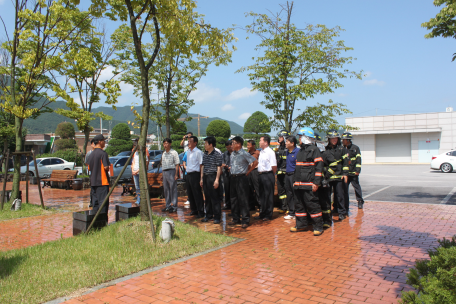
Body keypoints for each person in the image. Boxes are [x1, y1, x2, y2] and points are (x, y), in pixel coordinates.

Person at [291, 127, 324, 236]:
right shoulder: (301, 151)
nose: (299, 139)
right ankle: (301, 225)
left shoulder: (314, 150)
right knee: (299, 206)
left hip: (309, 184)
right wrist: (295, 181)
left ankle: (318, 227)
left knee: (313, 205)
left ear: (306, 137)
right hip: (299, 185)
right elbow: (298, 168)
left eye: (300, 137)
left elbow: (319, 168)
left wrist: (316, 182)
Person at [320, 130, 349, 225]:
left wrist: (345, 174)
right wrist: (324, 176)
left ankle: (341, 213)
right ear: (328, 139)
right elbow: (323, 164)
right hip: (328, 177)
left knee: (340, 195)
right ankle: (328, 213)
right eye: (332, 138)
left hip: (339, 176)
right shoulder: (325, 150)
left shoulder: (342, 149)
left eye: (336, 138)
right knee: (327, 197)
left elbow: (345, 163)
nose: (334, 140)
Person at [229, 136, 258, 228]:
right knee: (233, 199)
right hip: (233, 178)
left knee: (243, 199)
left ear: (238, 144)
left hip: (241, 178)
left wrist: (248, 171)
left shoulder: (244, 153)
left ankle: (245, 220)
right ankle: (235, 218)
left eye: (233, 143)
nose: (232, 145)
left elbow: (255, 162)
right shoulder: (233, 154)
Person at [200, 136, 223, 224]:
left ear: (211, 144)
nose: (204, 145)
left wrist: (217, 180)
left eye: (206, 143)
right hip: (206, 177)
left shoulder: (217, 154)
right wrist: (201, 178)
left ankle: (217, 216)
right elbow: (203, 166)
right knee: (207, 197)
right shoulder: (205, 154)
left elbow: (219, 168)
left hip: (213, 176)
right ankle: (208, 215)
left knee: (215, 198)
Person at [86, 134, 110, 213]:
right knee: (103, 203)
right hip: (102, 182)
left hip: (93, 182)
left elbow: (89, 168)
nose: (105, 142)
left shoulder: (90, 154)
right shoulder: (103, 153)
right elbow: (106, 167)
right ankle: (103, 222)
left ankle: (95, 222)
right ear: (99, 142)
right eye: (104, 141)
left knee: (95, 204)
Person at [256, 135, 277, 221]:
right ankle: (262, 213)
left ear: (265, 142)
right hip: (261, 175)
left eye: (260, 140)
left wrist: (271, 175)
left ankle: (268, 214)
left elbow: (274, 166)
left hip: (268, 175)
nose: (259, 142)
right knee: (262, 195)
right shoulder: (261, 152)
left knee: (268, 195)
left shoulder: (270, 152)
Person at [342, 132, 365, 211]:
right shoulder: (342, 148)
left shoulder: (355, 148)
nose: (342, 141)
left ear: (348, 140)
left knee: (356, 187)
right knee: (344, 189)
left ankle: (360, 201)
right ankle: (345, 203)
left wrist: (357, 170)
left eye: (344, 140)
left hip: (353, 173)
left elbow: (358, 160)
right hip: (345, 173)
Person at [185, 135, 205, 218]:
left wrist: (201, 178)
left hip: (195, 174)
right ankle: (194, 210)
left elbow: (201, 165)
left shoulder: (198, 152)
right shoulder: (188, 152)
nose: (188, 143)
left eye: (190, 141)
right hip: (188, 175)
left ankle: (201, 211)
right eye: (188, 141)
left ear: (195, 143)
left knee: (197, 193)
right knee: (190, 194)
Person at [161, 138, 180, 213]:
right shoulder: (164, 153)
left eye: (167, 143)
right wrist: (162, 174)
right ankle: (168, 205)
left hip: (171, 171)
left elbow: (177, 164)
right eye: (164, 143)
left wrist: (176, 174)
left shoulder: (174, 152)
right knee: (166, 189)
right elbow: (163, 164)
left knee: (173, 189)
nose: (165, 145)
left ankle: (174, 206)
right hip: (165, 172)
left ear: (170, 144)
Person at [283, 136, 299, 220]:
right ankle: (291, 212)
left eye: (287, 142)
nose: (285, 143)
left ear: (292, 143)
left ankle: (298, 212)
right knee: (289, 194)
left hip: (294, 175)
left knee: (295, 194)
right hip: (287, 175)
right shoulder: (287, 152)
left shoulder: (297, 152)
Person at [131, 139, 150, 205]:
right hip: (135, 172)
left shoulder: (143, 153)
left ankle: (142, 199)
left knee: (141, 186)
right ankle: (138, 198)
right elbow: (133, 162)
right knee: (137, 186)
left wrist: (137, 171)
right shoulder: (135, 153)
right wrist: (133, 170)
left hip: (140, 172)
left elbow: (145, 163)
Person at [246, 140, 260, 211]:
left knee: (257, 189)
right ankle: (251, 206)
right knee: (249, 188)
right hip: (249, 172)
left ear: (253, 145)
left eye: (249, 145)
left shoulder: (258, 153)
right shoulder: (246, 153)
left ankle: (260, 206)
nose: (248, 146)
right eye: (247, 145)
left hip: (255, 171)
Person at [221, 140, 232, 210]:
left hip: (233, 173)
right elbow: (222, 162)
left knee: (233, 190)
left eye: (229, 147)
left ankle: (234, 205)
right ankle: (228, 204)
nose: (228, 149)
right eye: (227, 148)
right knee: (227, 189)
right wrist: (224, 165)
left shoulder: (235, 153)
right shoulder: (225, 154)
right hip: (226, 173)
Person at [85, 140, 95, 207]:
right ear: (91, 144)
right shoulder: (89, 153)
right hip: (92, 172)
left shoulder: (100, 152)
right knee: (92, 188)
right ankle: (92, 202)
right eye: (94, 144)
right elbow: (86, 162)